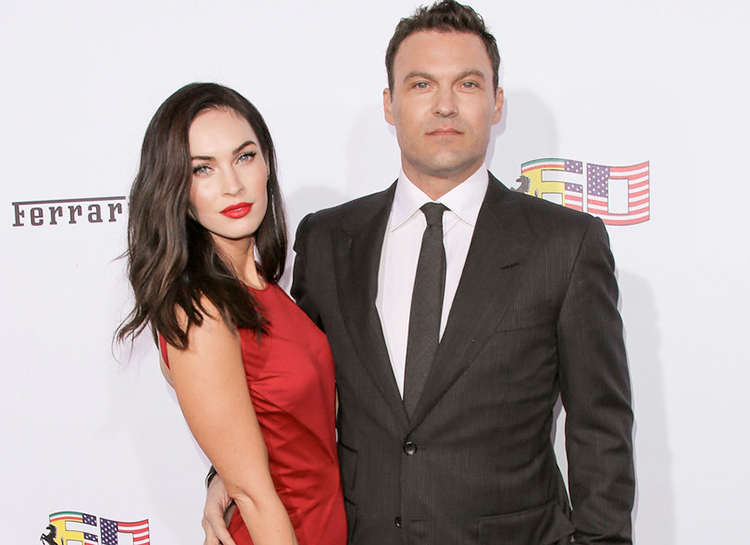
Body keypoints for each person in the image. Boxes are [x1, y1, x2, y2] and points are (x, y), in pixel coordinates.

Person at [204, 1, 635, 544]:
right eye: (422, 85)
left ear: (497, 103)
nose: (445, 105)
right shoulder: (328, 239)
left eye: (468, 84)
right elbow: (291, 388)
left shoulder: (565, 245)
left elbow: (601, 432)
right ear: (390, 103)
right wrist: (226, 472)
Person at [116, 83, 347, 545]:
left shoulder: (265, 290)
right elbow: (253, 495)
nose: (232, 185)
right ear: (175, 189)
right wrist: (231, 477)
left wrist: (221, 475)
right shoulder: (199, 311)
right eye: (202, 168)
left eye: (244, 157)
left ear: (267, 165)